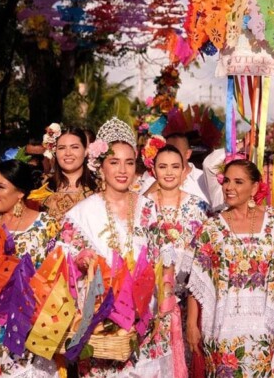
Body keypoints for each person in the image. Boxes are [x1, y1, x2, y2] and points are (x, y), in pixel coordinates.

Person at [58, 117, 175, 377]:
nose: (122, 170)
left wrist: (164, 310)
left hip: (146, 320)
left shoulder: (148, 208)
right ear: (100, 168)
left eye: (129, 162)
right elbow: (66, 268)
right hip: (104, 324)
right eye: (114, 162)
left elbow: (165, 261)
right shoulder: (81, 214)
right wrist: (82, 261)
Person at [186, 159, 274, 376]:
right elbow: (196, 282)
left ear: (255, 187)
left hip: (262, 327)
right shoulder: (212, 228)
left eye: (238, 182)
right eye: (227, 181)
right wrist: (192, 324)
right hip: (220, 328)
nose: (229, 187)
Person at [0, 160, 61, 377]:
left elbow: (58, 274)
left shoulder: (46, 225)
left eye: (0, 186)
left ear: (20, 193)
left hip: (31, 325)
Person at [145, 144, 210, 376]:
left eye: (175, 167)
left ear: (185, 171)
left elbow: (205, 258)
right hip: (152, 302)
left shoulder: (200, 206)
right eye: (163, 166)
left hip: (189, 300)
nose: (169, 172)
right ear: (153, 170)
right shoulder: (143, 206)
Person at [39, 127, 98, 224]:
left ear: (86, 151)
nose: (68, 153)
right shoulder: (42, 185)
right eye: (62, 148)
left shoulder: (99, 188)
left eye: (75, 147)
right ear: (55, 151)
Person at [140, 132, 210, 202]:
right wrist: (153, 188)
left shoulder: (204, 178)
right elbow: (138, 208)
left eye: (176, 151)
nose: (170, 155)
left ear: (188, 154)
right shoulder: (151, 179)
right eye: (167, 150)